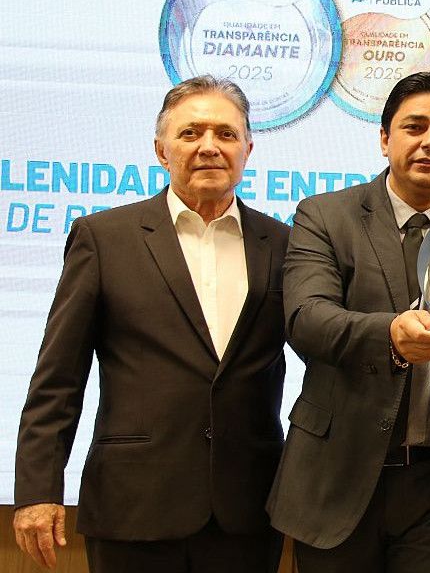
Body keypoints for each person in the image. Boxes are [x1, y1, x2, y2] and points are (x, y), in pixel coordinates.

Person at [12, 75, 290, 572]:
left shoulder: (285, 244)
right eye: (190, 133)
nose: (209, 146)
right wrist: (37, 490)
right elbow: (58, 377)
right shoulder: (104, 238)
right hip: (132, 504)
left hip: (249, 507)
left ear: (247, 150)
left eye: (226, 134)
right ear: (161, 150)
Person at [265, 72, 430, 573]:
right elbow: (306, 318)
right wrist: (389, 335)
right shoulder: (325, 216)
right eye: (415, 127)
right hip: (338, 474)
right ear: (385, 138)